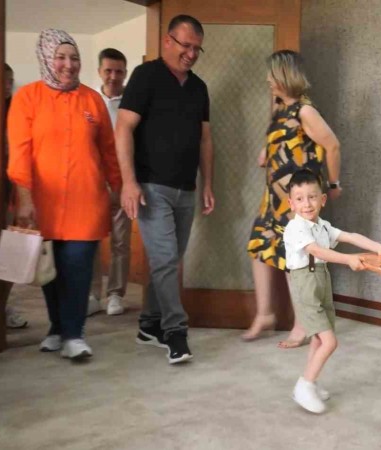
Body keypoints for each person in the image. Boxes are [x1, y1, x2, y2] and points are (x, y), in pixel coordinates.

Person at [7, 29, 122, 360]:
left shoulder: (92, 100)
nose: (68, 65)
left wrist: (118, 186)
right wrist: (24, 199)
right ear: (46, 58)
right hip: (41, 202)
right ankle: (57, 328)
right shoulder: (27, 97)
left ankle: (74, 334)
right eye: (60, 57)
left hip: (86, 201)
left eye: (74, 58)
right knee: (49, 269)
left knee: (77, 267)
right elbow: (20, 153)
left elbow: (108, 150)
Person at [116, 15, 214, 365]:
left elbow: (205, 139)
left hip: (185, 189)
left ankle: (149, 324)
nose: (191, 54)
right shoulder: (146, 76)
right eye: (186, 46)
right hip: (151, 186)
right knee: (165, 261)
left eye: (197, 49)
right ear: (167, 41)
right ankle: (176, 331)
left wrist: (207, 183)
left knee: (169, 262)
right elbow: (123, 128)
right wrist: (128, 182)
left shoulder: (199, 87)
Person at [244, 50, 342, 348]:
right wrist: (266, 150)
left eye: (272, 75)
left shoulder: (304, 111)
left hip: (296, 200)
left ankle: (303, 324)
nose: (268, 80)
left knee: (295, 258)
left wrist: (334, 183)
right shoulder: (280, 109)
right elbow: (281, 140)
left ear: (285, 76)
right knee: (259, 247)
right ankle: (265, 314)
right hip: (274, 198)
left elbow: (332, 145)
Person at [283, 169, 381, 413]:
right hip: (305, 284)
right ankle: (304, 386)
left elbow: (349, 236)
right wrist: (348, 259)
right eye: (299, 199)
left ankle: (311, 381)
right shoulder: (295, 227)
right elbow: (316, 251)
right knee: (330, 342)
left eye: (312, 197)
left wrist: (375, 246)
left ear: (322, 199)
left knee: (319, 339)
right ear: (291, 203)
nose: (306, 204)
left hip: (322, 280)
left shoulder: (322, 226)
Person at [87, 48, 131, 317]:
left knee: (120, 242)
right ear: (99, 72)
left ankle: (116, 294)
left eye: (119, 71)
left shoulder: (132, 102)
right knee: (92, 240)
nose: (113, 76)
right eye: (108, 71)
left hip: (123, 182)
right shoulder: (90, 101)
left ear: (125, 73)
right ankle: (92, 294)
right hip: (93, 181)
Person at [2, 63, 29, 329]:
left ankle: (3, 305)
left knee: (11, 252)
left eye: (11, 80)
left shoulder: (17, 108)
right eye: (4, 80)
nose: (8, 85)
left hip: (13, 190)